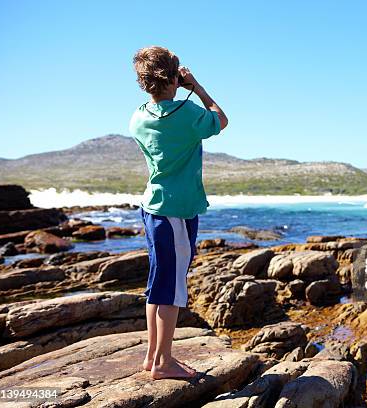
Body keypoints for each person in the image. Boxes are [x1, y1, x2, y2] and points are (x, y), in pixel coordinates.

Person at [129, 46, 228, 379]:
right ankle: (164, 362)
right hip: (177, 211)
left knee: (157, 284)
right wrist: (196, 87)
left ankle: (151, 356)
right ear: (173, 78)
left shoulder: (138, 117)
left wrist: (173, 86)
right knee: (172, 289)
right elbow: (221, 118)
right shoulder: (186, 116)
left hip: (153, 207)